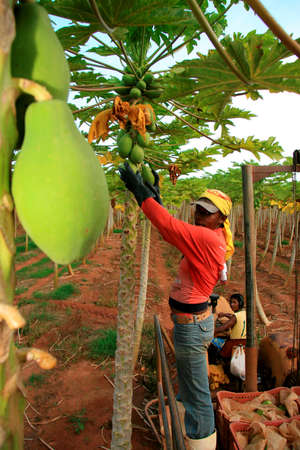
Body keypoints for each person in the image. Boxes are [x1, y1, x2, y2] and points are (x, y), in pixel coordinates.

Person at [119, 162, 234, 450]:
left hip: (192, 329)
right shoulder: (209, 236)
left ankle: (201, 442)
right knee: (188, 384)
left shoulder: (208, 238)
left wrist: (140, 192)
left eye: (207, 212)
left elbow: (169, 227)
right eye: (198, 208)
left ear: (220, 218)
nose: (199, 213)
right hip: (193, 325)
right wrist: (154, 197)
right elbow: (172, 232)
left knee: (198, 397)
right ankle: (188, 429)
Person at [217, 293, 246, 359]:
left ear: (240, 303)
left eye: (234, 302)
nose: (231, 304)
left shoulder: (235, 317)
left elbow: (222, 328)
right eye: (230, 302)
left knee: (217, 350)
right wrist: (224, 315)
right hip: (246, 343)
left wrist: (211, 331)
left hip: (236, 343)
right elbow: (233, 317)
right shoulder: (244, 313)